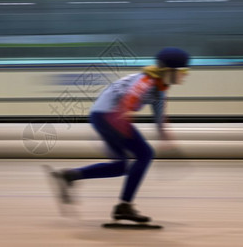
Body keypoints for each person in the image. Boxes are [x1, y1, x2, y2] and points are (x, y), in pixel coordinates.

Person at [49, 47, 190, 223]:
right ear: (170, 71)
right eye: (183, 71)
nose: (185, 76)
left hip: (101, 115)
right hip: (110, 115)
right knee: (145, 154)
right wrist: (125, 117)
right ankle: (124, 207)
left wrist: (167, 139)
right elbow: (131, 96)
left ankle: (70, 176)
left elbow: (160, 118)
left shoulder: (159, 88)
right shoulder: (146, 81)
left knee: (122, 166)